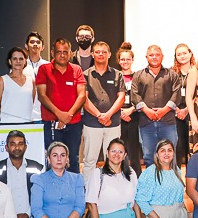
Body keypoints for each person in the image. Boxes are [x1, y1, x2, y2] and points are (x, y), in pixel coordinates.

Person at [36, 38, 86, 172]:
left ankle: (73, 190)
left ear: (70, 53)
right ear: (52, 53)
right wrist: (59, 115)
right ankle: (53, 189)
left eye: (66, 52)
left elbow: (82, 95)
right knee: (53, 157)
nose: (62, 55)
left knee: (73, 158)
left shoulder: (77, 70)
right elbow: (41, 95)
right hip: (51, 122)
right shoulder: (44, 69)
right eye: (59, 52)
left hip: (73, 123)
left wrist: (68, 116)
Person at [81, 40, 126, 181]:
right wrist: (99, 115)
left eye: (104, 52)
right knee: (89, 160)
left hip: (113, 124)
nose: (101, 54)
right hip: (91, 124)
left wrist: (108, 115)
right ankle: (88, 194)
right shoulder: (85, 74)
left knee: (114, 160)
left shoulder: (117, 74)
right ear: (92, 54)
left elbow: (121, 98)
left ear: (109, 54)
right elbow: (84, 99)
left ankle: (111, 190)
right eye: (98, 52)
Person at [132, 44, 182, 167]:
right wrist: (147, 110)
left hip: (168, 122)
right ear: (146, 57)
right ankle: (152, 185)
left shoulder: (172, 75)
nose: (154, 57)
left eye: (157, 55)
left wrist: (163, 110)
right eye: (151, 55)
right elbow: (134, 95)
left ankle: (171, 184)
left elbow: (177, 94)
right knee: (149, 156)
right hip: (146, 123)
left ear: (162, 57)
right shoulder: (138, 75)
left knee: (170, 156)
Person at [0, 46, 35, 125]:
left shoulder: (31, 81)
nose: (18, 61)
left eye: (21, 59)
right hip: (7, 123)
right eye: (15, 59)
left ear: (25, 61)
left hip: (28, 123)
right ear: (10, 61)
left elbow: (33, 101)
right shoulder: (2, 80)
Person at [117, 42, 143, 173]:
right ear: (118, 60)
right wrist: (121, 111)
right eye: (122, 59)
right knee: (119, 149)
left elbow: (142, 96)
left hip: (134, 116)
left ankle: (136, 178)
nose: (125, 61)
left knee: (134, 152)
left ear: (132, 60)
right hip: (118, 116)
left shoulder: (138, 76)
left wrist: (131, 109)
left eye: (128, 59)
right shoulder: (115, 75)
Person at [172, 43, 194, 165]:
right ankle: (178, 181)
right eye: (179, 54)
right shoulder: (172, 73)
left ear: (190, 54)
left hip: (193, 113)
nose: (182, 56)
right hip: (176, 114)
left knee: (193, 148)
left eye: (184, 53)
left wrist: (186, 110)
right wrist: (177, 110)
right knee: (178, 148)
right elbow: (168, 94)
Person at [24, 31, 49, 122]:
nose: (35, 44)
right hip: (24, 115)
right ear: (26, 46)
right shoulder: (20, 66)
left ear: (42, 47)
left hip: (43, 114)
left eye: (38, 42)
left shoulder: (49, 66)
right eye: (32, 42)